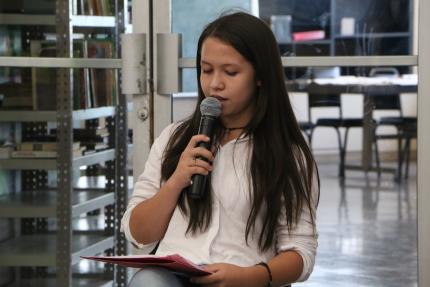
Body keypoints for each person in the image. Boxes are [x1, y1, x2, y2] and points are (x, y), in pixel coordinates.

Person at [121, 11, 320, 287]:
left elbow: (301, 252)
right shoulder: (174, 139)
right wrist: (176, 181)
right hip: (171, 279)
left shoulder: (286, 153)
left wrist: (252, 277)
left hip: (245, 278)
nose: (215, 84)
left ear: (260, 75)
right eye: (206, 70)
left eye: (230, 72)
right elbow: (137, 233)